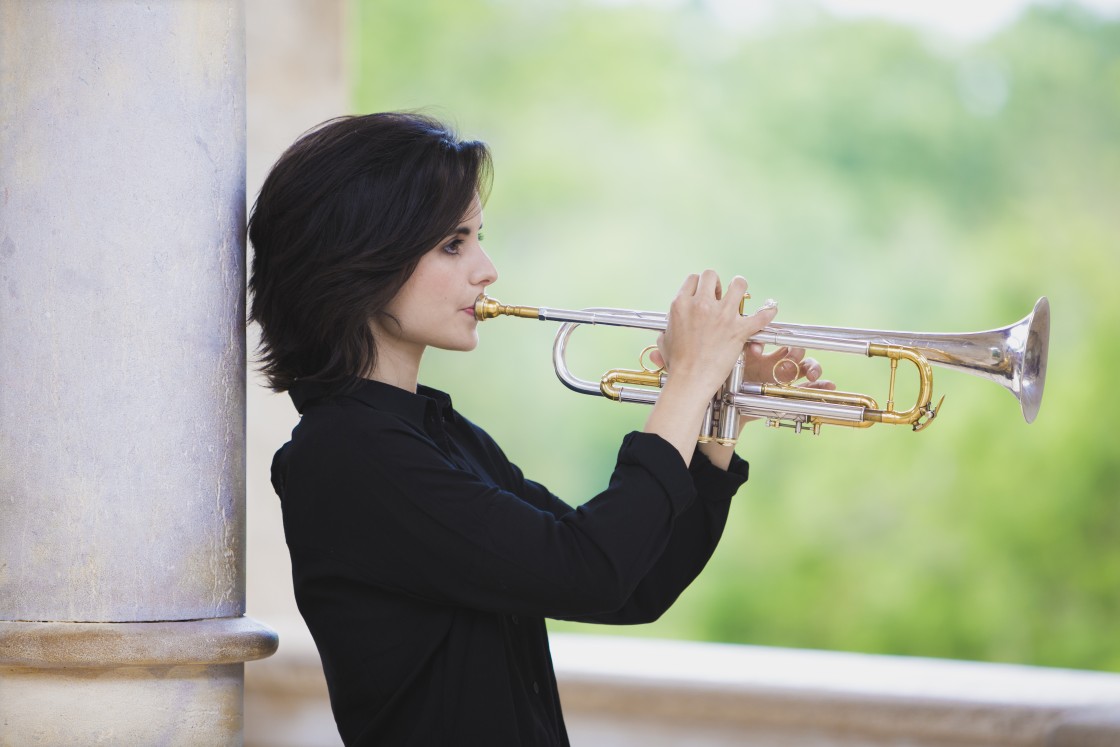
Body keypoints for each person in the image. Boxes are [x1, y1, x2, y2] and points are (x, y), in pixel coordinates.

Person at [248, 112, 832, 746]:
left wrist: (717, 414)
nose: (487, 268)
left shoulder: (441, 436)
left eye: (478, 237)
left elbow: (634, 586)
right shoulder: (345, 456)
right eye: (453, 244)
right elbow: (589, 569)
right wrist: (687, 381)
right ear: (362, 258)